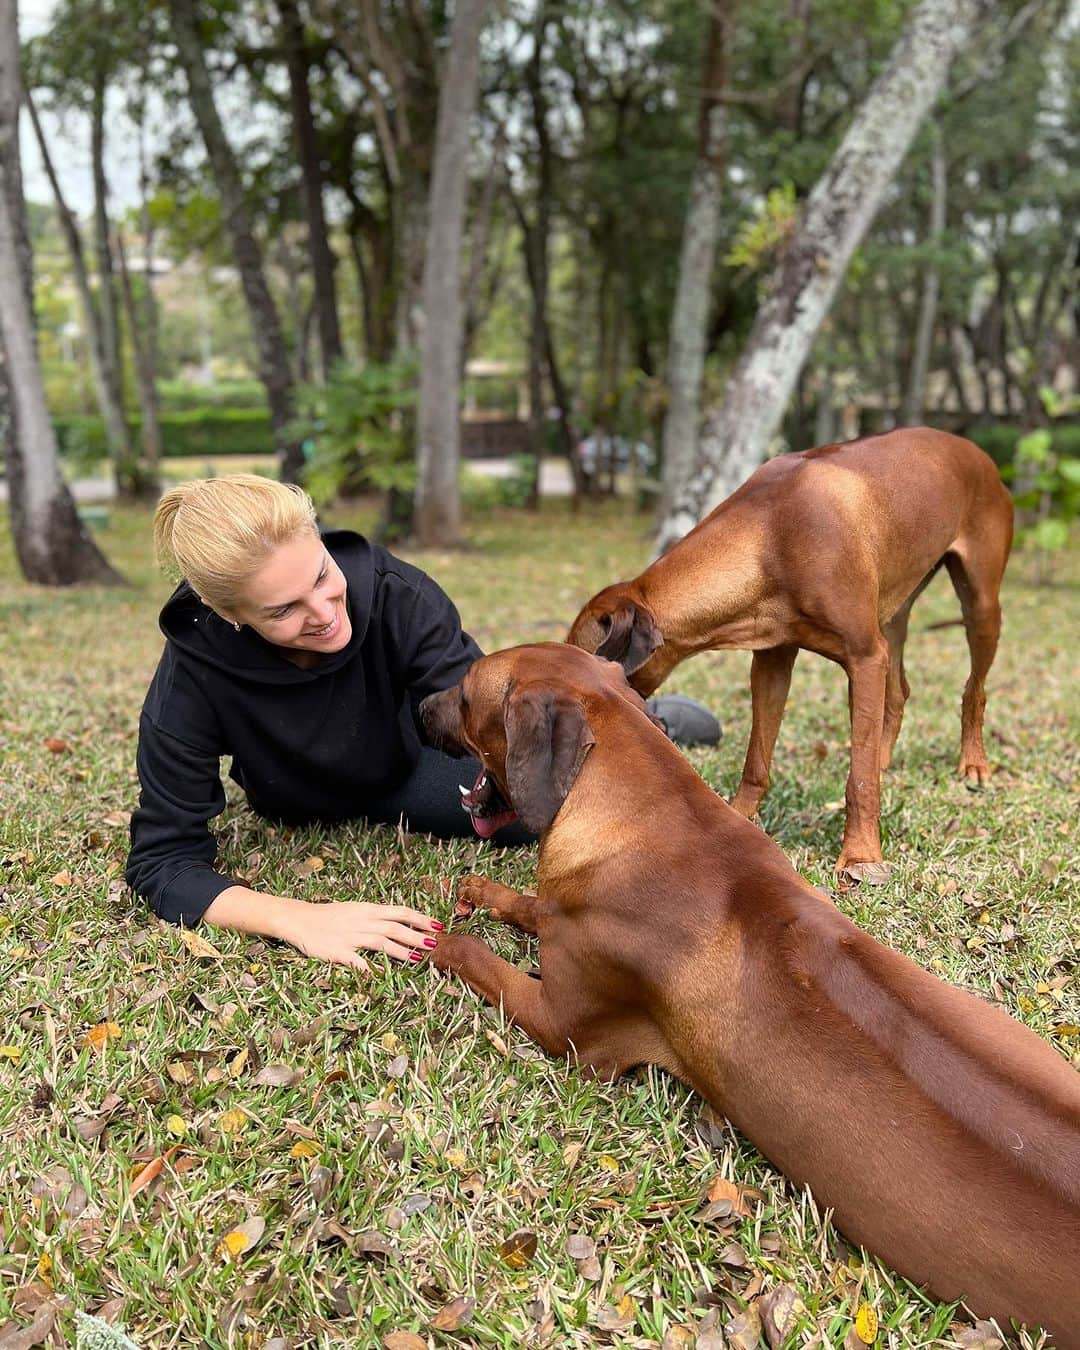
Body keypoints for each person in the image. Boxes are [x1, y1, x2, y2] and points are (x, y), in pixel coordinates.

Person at [126, 474, 719, 970]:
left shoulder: (395, 593)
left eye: (322, 578)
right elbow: (162, 863)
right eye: (283, 610)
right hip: (298, 802)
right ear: (227, 614)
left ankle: (637, 717)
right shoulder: (190, 678)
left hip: (414, 762)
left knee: (544, 806)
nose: (326, 615)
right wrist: (298, 918)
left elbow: (483, 723)